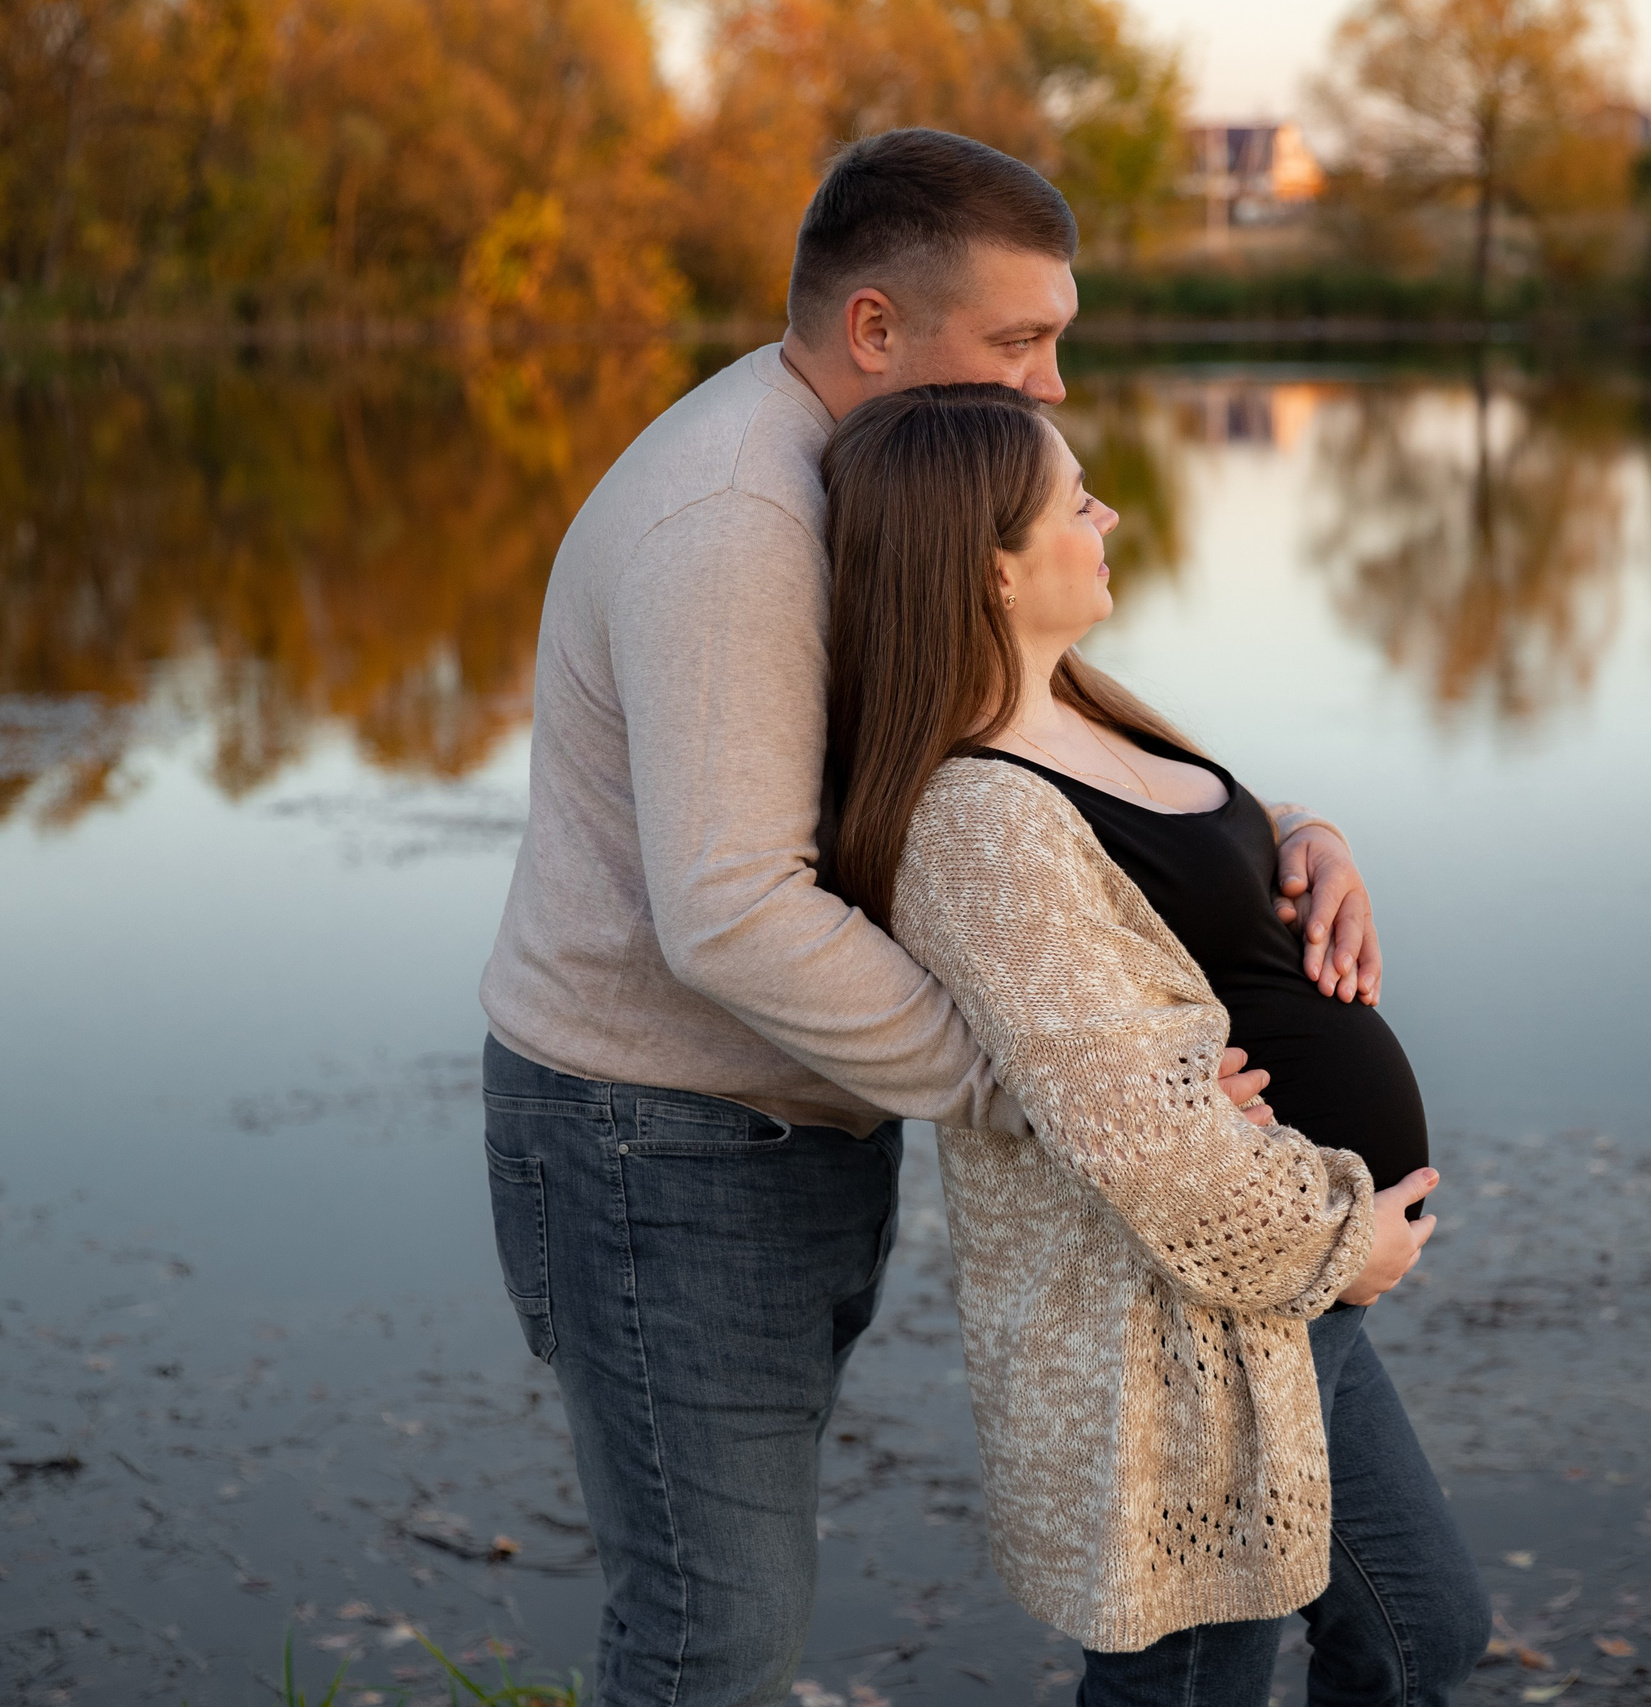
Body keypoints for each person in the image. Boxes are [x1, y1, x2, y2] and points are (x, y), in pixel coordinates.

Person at [476, 130, 1383, 1704]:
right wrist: (1043, 1089)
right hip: (661, 1143)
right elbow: (738, 916)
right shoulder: (735, 525)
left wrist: (1291, 827)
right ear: (875, 328)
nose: (1048, 391)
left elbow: (1029, 728)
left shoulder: (877, 481)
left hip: (785, 1119)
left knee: (734, 1614)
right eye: (1020, 342)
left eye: (1058, 343)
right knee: (717, 1632)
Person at [816, 380, 1491, 1706]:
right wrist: (1353, 1244)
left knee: (1422, 1635)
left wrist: (1314, 837)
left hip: (1279, 1310)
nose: (1108, 511)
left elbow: (1190, 859)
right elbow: (1146, 1142)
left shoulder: (1083, 704)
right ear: (992, 568)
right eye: (1076, 501)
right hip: (1181, 1337)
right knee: (1204, 1686)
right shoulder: (975, 821)